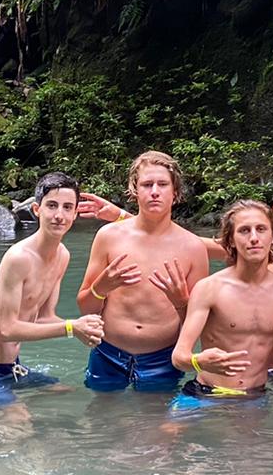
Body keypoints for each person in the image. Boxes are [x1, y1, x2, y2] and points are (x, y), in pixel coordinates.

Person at [0, 172, 104, 404]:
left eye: (67, 207)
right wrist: (71, 328)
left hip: (12, 367)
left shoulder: (62, 255)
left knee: (69, 394)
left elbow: (44, 318)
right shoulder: (19, 258)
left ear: (75, 214)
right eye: (52, 206)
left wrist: (86, 328)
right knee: (17, 422)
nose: (59, 215)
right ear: (37, 210)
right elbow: (6, 330)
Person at [77, 151, 214, 392]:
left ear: (175, 192)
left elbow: (199, 327)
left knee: (157, 415)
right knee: (100, 413)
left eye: (162, 184)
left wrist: (181, 303)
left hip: (163, 359)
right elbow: (86, 308)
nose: (154, 191)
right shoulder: (109, 236)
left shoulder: (193, 248)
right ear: (134, 190)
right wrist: (101, 288)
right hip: (107, 353)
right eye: (147, 184)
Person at [171, 200, 273, 399]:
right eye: (244, 231)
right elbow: (179, 357)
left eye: (261, 229)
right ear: (230, 240)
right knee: (167, 422)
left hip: (255, 396)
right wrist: (199, 362)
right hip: (204, 394)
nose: (254, 238)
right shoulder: (209, 288)